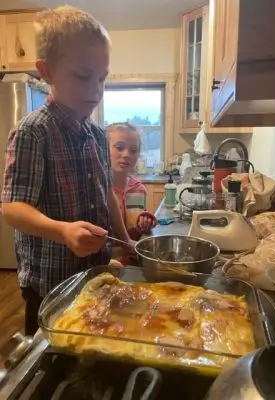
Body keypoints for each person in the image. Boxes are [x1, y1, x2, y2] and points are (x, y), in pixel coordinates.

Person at [1, 5, 133, 335]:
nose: (96, 90)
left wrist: (127, 241)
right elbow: (13, 209)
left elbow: (107, 194)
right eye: (83, 76)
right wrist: (64, 231)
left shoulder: (98, 135)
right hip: (51, 284)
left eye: (102, 78)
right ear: (46, 72)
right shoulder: (33, 132)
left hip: (96, 274)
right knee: (50, 361)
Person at [107, 122, 156, 241]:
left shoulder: (139, 190)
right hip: (108, 258)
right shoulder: (98, 190)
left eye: (133, 150)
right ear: (103, 148)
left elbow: (138, 230)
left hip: (133, 256)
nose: (126, 155)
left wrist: (145, 222)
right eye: (119, 148)